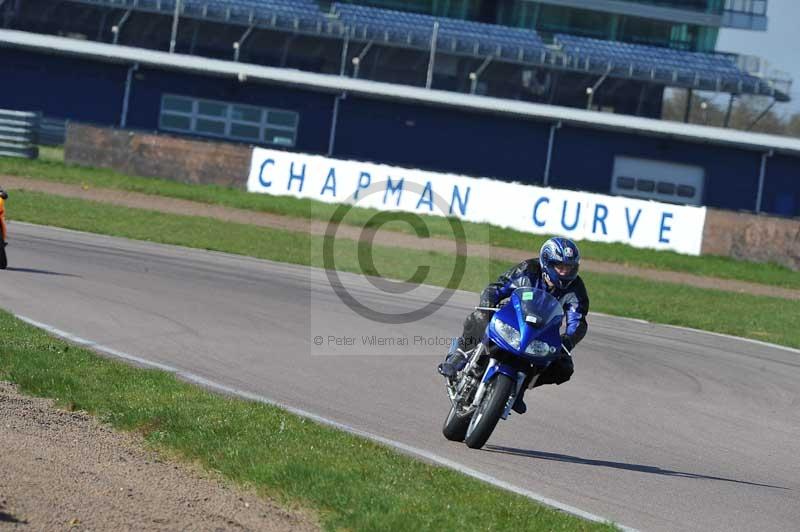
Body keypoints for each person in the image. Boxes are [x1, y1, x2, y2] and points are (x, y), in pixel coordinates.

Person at [437, 236, 589, 414]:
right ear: (547, 263)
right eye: (560, 267)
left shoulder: (576, 288)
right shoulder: (528, 270)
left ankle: (520, 388)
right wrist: (488, 304)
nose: (565, 272)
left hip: (540, 333)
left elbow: (578, 321)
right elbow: (497, 288)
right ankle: (459, 356)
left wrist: (567, 341)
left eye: (569, 268)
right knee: (479, 317)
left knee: (564, 367)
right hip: (512, 319)